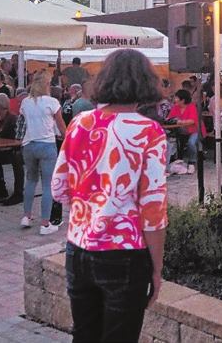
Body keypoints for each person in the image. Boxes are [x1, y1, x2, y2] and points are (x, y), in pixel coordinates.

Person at [52, 48, 167, 342]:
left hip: (78, 247)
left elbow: (59, 188)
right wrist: (157, 268)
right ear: (145, 82)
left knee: (84, 335)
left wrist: (91, 206)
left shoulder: (79, 123)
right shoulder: (149, 132)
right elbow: (152, 211)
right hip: (124, 253)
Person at [19, 70, 66, 235]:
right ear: (47, 84)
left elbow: (25, 120)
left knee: (30, 180)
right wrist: (67, 138)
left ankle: (26, 215)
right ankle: (45, 223)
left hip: (28, 143)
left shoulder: (25, 102)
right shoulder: (52, 102)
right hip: (46, 144)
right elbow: (61, 126)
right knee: (48, 184)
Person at [0, 93, 25, 205]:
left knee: (15, 158)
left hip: (12, 148)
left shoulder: (11, 118)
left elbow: (1, 135)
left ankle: (18, 193)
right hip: (0, 149)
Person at [167, 89, 201, 174]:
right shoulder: (175, 107)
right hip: (181, 131)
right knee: (172, 140)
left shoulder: (191, 107)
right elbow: (169, 118)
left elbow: (192, 121)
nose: (175, 100)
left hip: (193, 130)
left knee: (191, 142)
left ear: (182, 100)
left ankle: (192, 162)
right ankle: (177, 161)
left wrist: (181, 122)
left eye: (176, 98)